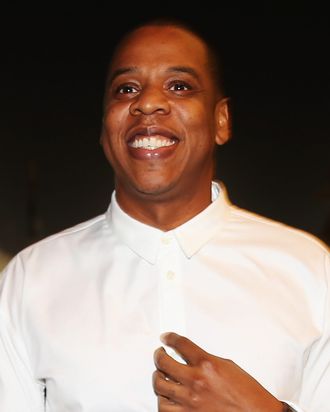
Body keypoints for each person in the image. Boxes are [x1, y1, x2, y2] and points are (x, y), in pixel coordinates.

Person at [0, 18, 329, 412]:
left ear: (220, 120)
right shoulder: (28, 281)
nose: (148, 103)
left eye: (179, 86)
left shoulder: (311, 272)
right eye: (126, 89)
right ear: (105, 128)